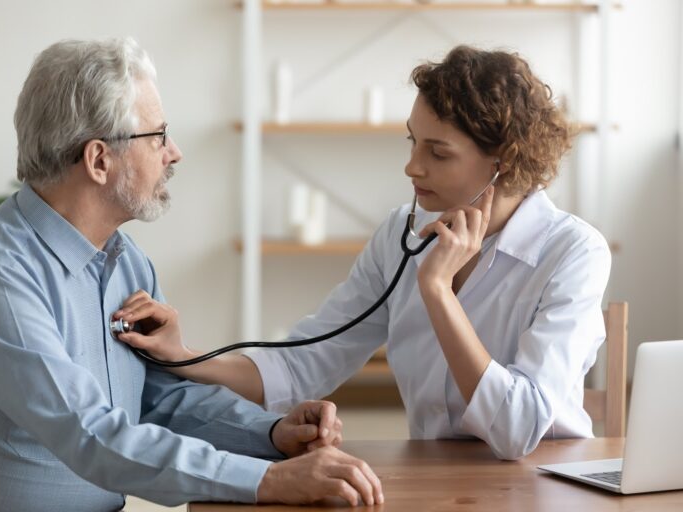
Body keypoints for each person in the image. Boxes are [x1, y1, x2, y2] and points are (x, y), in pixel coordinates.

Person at [0, 38, 384, 511]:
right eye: (158, 136)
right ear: (99, 160)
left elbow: (158, 400)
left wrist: (272, 432)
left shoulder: (125, 262)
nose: (174, 153)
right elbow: (89, 431)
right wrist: (269, 480)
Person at [116, 46, 612, 461]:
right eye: (413, 142)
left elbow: (517, 429)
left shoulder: (572, 253)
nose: (411, 167)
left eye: (438, 153)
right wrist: (184, 357)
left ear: (502, 164)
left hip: (545, 484)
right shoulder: (401, 234)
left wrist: (438, 292)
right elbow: (301, 364)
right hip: (435, 481)